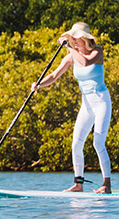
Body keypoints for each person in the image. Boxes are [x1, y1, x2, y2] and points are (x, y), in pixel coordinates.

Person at [32, 22, 112, 194]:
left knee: (98, 143)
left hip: (101, 102)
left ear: (84, 39)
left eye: (76, 39)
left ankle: (106, 184)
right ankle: (78, 184)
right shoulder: (70, 57)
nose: (74, 42)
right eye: (72, 40)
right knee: (76, 144)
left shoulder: (97, 51)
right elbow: (54, 75)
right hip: (87, 104)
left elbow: (85, 62)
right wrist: (39, 84)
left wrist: (70, 48)